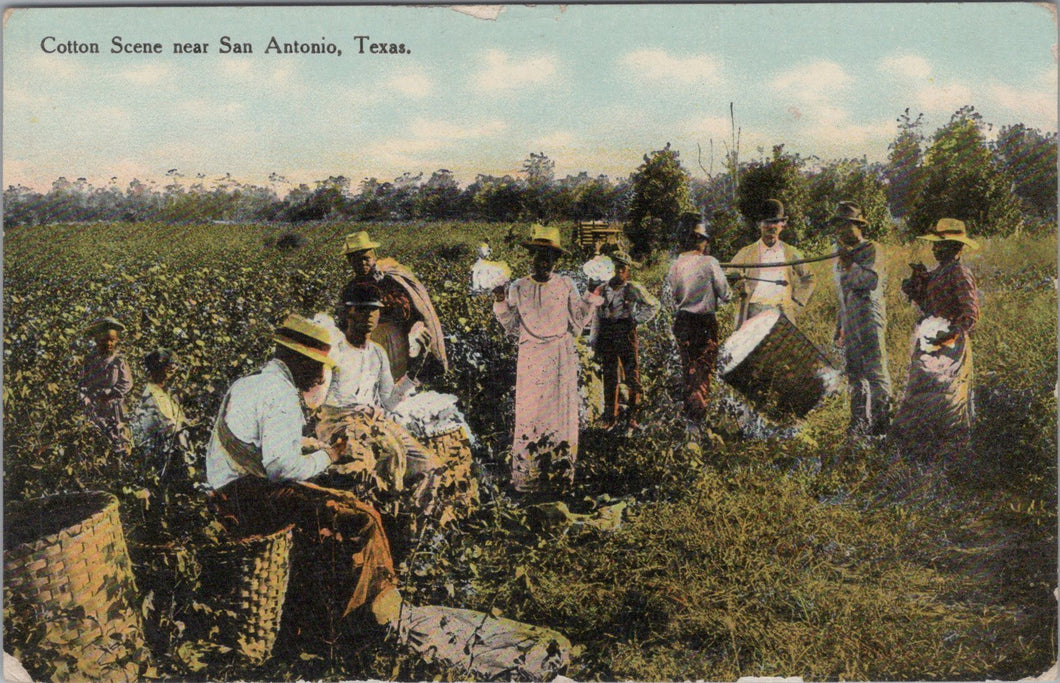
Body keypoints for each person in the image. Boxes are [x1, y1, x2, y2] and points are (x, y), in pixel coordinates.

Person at [204, 314, 400, 629]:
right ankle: (357, 622)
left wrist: (309, 446)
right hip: (246, 499)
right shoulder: (281, 395)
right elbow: (282, 469)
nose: (321, 376)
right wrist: (330, 456)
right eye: (317, 366)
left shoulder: (250, 382)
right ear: (299, 362)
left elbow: (255, 444)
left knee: (342, 504)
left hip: (228, 490)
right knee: (362, 518)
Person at [312, 282, 443, 528]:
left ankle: (411, 527)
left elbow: (389, 402)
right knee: (372, 467)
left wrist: (413, 371)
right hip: (339, 421)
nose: (369, 316)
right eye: (361, 310)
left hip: (374, 421)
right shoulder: (335, 352)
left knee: (428, 465)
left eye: (374, 310)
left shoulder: (377, 353)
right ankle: (375, 524)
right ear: (347, 313)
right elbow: (317, 400)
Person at [492, 225, 603, 495]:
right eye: (538, 255)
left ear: (556, 260)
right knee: (531, 413)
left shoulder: (565, 285)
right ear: (531, 257)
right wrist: (499, 301)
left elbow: (577, 321)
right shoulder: (519, 286)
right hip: (530, 356)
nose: (543, 261)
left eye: (549, 256)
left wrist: (591, 295)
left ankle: (559, 477)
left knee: (558, 414)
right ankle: (527, 480)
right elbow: (511, 324)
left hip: (559, 355)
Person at [891, 219, 981, 466]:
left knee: (948, 400)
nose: (934, 249)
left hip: (949, 347)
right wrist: (917, 287)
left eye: (939, 246)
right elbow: (929, 306)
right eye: (934, 245)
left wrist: (947, 335)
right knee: (920, 394)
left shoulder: (960, 273)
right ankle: (919, 454)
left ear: (954, 248)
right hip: (931, 341)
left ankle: (951, 460)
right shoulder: (939, 273)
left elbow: (970, 314)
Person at [342, 231, 447, 382]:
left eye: (366, 259)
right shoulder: (352, 286)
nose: (362, 264)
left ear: (374, 257)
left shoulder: (387, 279)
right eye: (356, 260)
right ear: (350, 262)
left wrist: (378, 307)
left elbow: (404, 310)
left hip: (392, 337)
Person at [830, 202, 892, 438]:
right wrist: (840, 325)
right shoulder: (843, 255)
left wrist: (849, 264)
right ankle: (858, 424)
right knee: (854, 374)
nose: (842, 232)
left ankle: (881, 425)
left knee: (875, 372)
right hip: (850, 319)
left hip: (868, 315)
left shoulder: (871, 249)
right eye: (838, 227)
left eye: (847, 226)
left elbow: (869, 281)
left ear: (859, 226)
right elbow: (842, 293)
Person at [664, 219, 732, 423]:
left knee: (688, 370)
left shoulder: (675, 265)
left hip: (683, 321)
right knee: (703, 372)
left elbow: (671, 298)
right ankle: (698, 421)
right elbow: (726, 294)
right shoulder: (710, 263)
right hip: (704, 323)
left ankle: (689, 419)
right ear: (702, 242)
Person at [592, 251, 659, 432]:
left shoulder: (633, 288)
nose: (618, 272)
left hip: (626, 332)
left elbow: (653, 305)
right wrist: (594, 339)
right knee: (610, 375)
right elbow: (596, 316)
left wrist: (637, 319)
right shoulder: (602, 289)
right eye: (615, 268)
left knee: (632, 373)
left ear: (627, 271)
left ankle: (633, 417)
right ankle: (610, 417)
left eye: (622, 268)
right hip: (608, 333)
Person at [727, 199, 816, 327]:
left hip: (783, 315)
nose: (772, 226)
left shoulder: (790, 252)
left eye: (776, 222)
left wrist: (797, 301)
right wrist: (738, 281)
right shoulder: (746, 253)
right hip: (754, 315)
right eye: (767, 222)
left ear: (783, 224)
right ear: (759, 224)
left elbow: (810, 277)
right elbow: (729, 276)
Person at [130, 348, 194, 486]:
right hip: (162, 457)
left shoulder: (168, 394)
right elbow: (162, 426)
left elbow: (179, 420)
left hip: (176, 452)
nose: (172, 368)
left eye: (174, 365)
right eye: (166, 365)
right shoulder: (149, 394)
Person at [77, 317, 133, 453]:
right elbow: (81, 383)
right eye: (104, 340)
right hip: (93, 409)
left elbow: (127, 383)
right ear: (97, 341)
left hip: (114, 408)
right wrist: (85, 398)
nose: (108, 343)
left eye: (112, 340)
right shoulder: (89, 361)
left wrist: (110, 393)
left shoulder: (119, 361)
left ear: (116, 340)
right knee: (92, 443)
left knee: (118, 441)